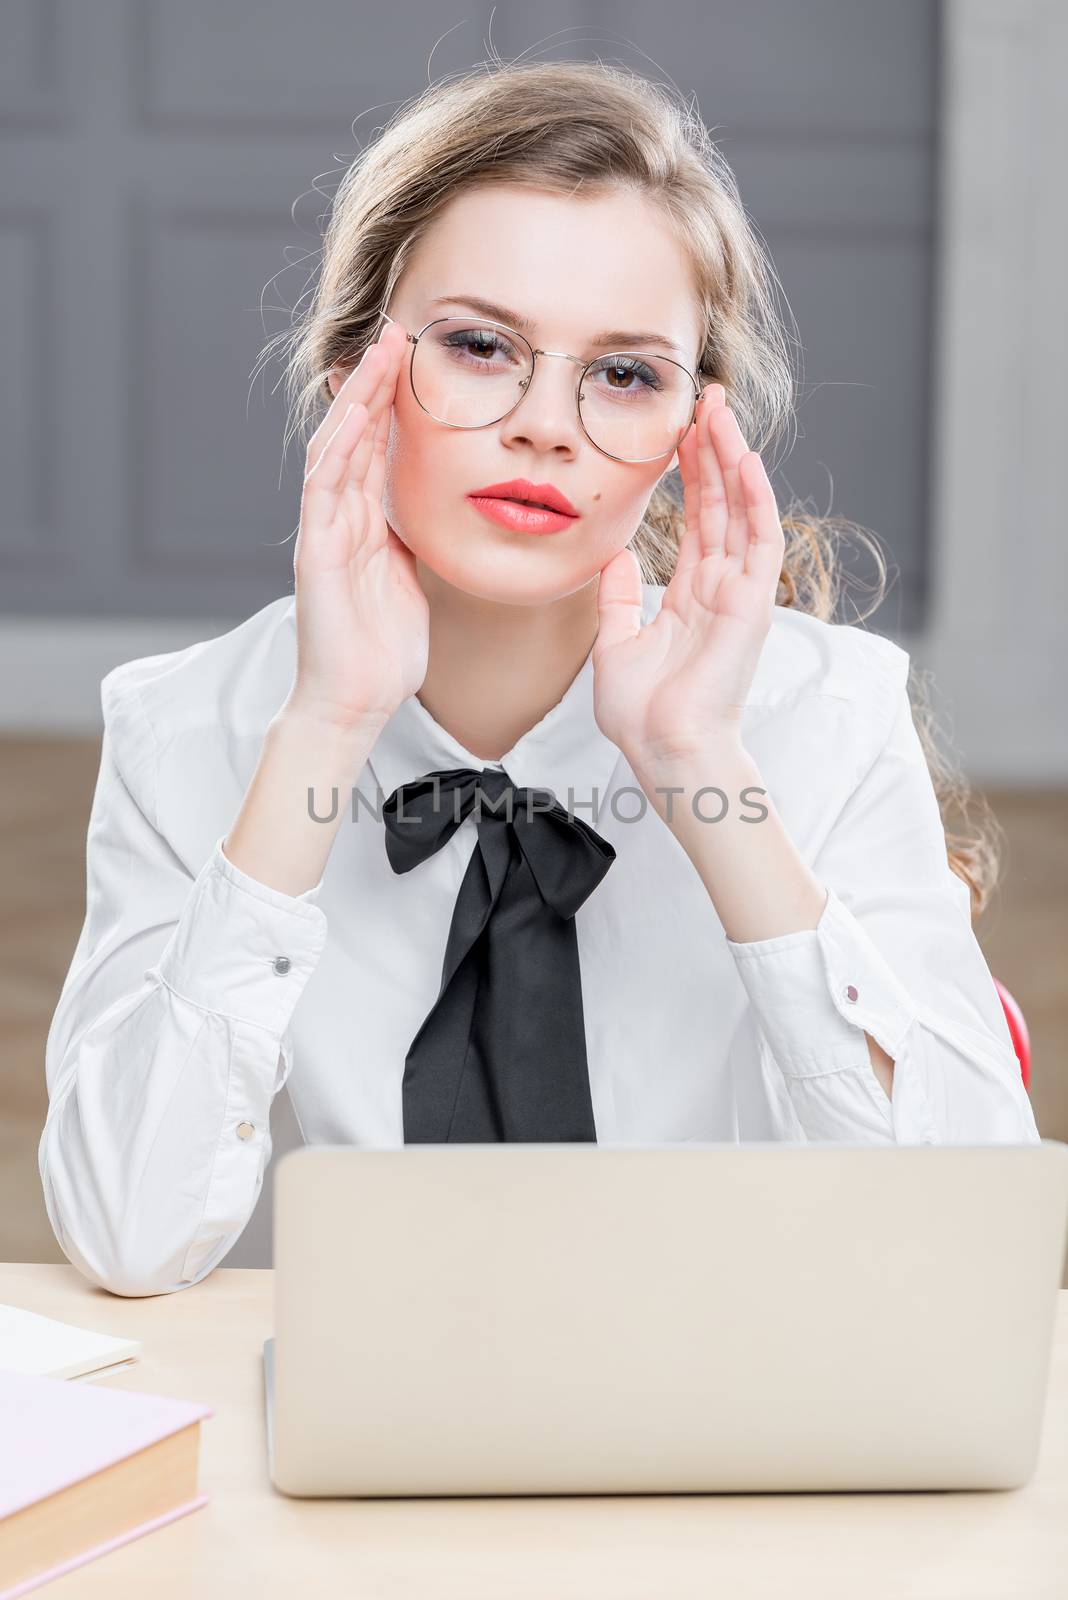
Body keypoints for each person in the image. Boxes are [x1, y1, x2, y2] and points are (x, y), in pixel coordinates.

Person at [39, 58, 1039, 1300]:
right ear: (358, 365)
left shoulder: (824, 714)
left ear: (692, 428)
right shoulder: (189, 728)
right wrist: (326, 729)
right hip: (375, 1425)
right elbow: (127, 1237)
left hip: (732, 1430)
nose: (546, 425)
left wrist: (698, 766)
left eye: (623, 374)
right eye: (477, 346)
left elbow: (964, 1250)